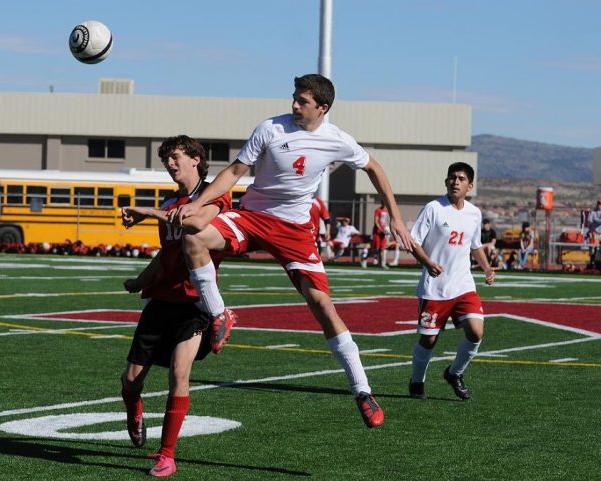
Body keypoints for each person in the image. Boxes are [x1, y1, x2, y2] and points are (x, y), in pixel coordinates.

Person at [172, 74, 414, 428]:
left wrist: (396, 217)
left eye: (302, 101)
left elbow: (374, 168)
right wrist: (200, 203)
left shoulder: (337, 140)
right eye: (294, 98)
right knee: (192, 235)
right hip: (252, 216)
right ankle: (219, 314)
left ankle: (362, 390)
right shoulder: (270, 129)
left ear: (323, 107)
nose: (294, 105)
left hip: (295, 231)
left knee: (323, 306)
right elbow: (236, 171)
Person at [119, 135, 232, 477]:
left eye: (176, 156)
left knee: (180, 374)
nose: (170, 163)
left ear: (196, 159)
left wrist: (149, 211)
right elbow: (166, 257)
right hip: (162, 302)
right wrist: (141, 281)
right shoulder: (169, 202)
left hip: (196, 304)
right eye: (166, 158)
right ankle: (134, 407)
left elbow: (194, 223)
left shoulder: (215, 196)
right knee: (130, 380)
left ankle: (167, 454)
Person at [407, 162, 495, 401]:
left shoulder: (474, 213)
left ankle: (454, 373)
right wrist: (427, 262)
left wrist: (486, 267)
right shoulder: (434, 209)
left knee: (476, 332)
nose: (455, 181)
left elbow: (474, 245)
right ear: (446, 181)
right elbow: (413, 242)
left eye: (461, 178)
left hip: (463, 286)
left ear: (470, 186)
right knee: (429, 339)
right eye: (452, 177)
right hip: (434, 288)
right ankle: (417, 381)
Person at [370, 200, 391, 269]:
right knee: (376, 247)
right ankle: (368, 259)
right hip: (377, 232)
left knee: (382, 248)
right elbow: (376, 221)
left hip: (383, 232)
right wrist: (381, 229)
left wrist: (386, 229)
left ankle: (382, 263)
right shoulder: (378, 210)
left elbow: (385, 221)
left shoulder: (386, 210)